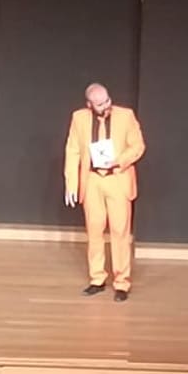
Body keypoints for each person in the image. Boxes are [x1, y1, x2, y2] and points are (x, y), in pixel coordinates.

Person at [64, 82, 145, 301]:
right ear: (89, 104)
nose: (105, 106)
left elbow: (138, 146)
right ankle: (97, 279)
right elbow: (72, 150)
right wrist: (71, 182)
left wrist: (119, 160)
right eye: (99, 104)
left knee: (120, 231)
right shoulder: (79, 118)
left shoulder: (126, 116)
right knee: (94, 231)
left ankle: (122, 282)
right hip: (92, 180)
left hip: (117, 178)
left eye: (107, 100)